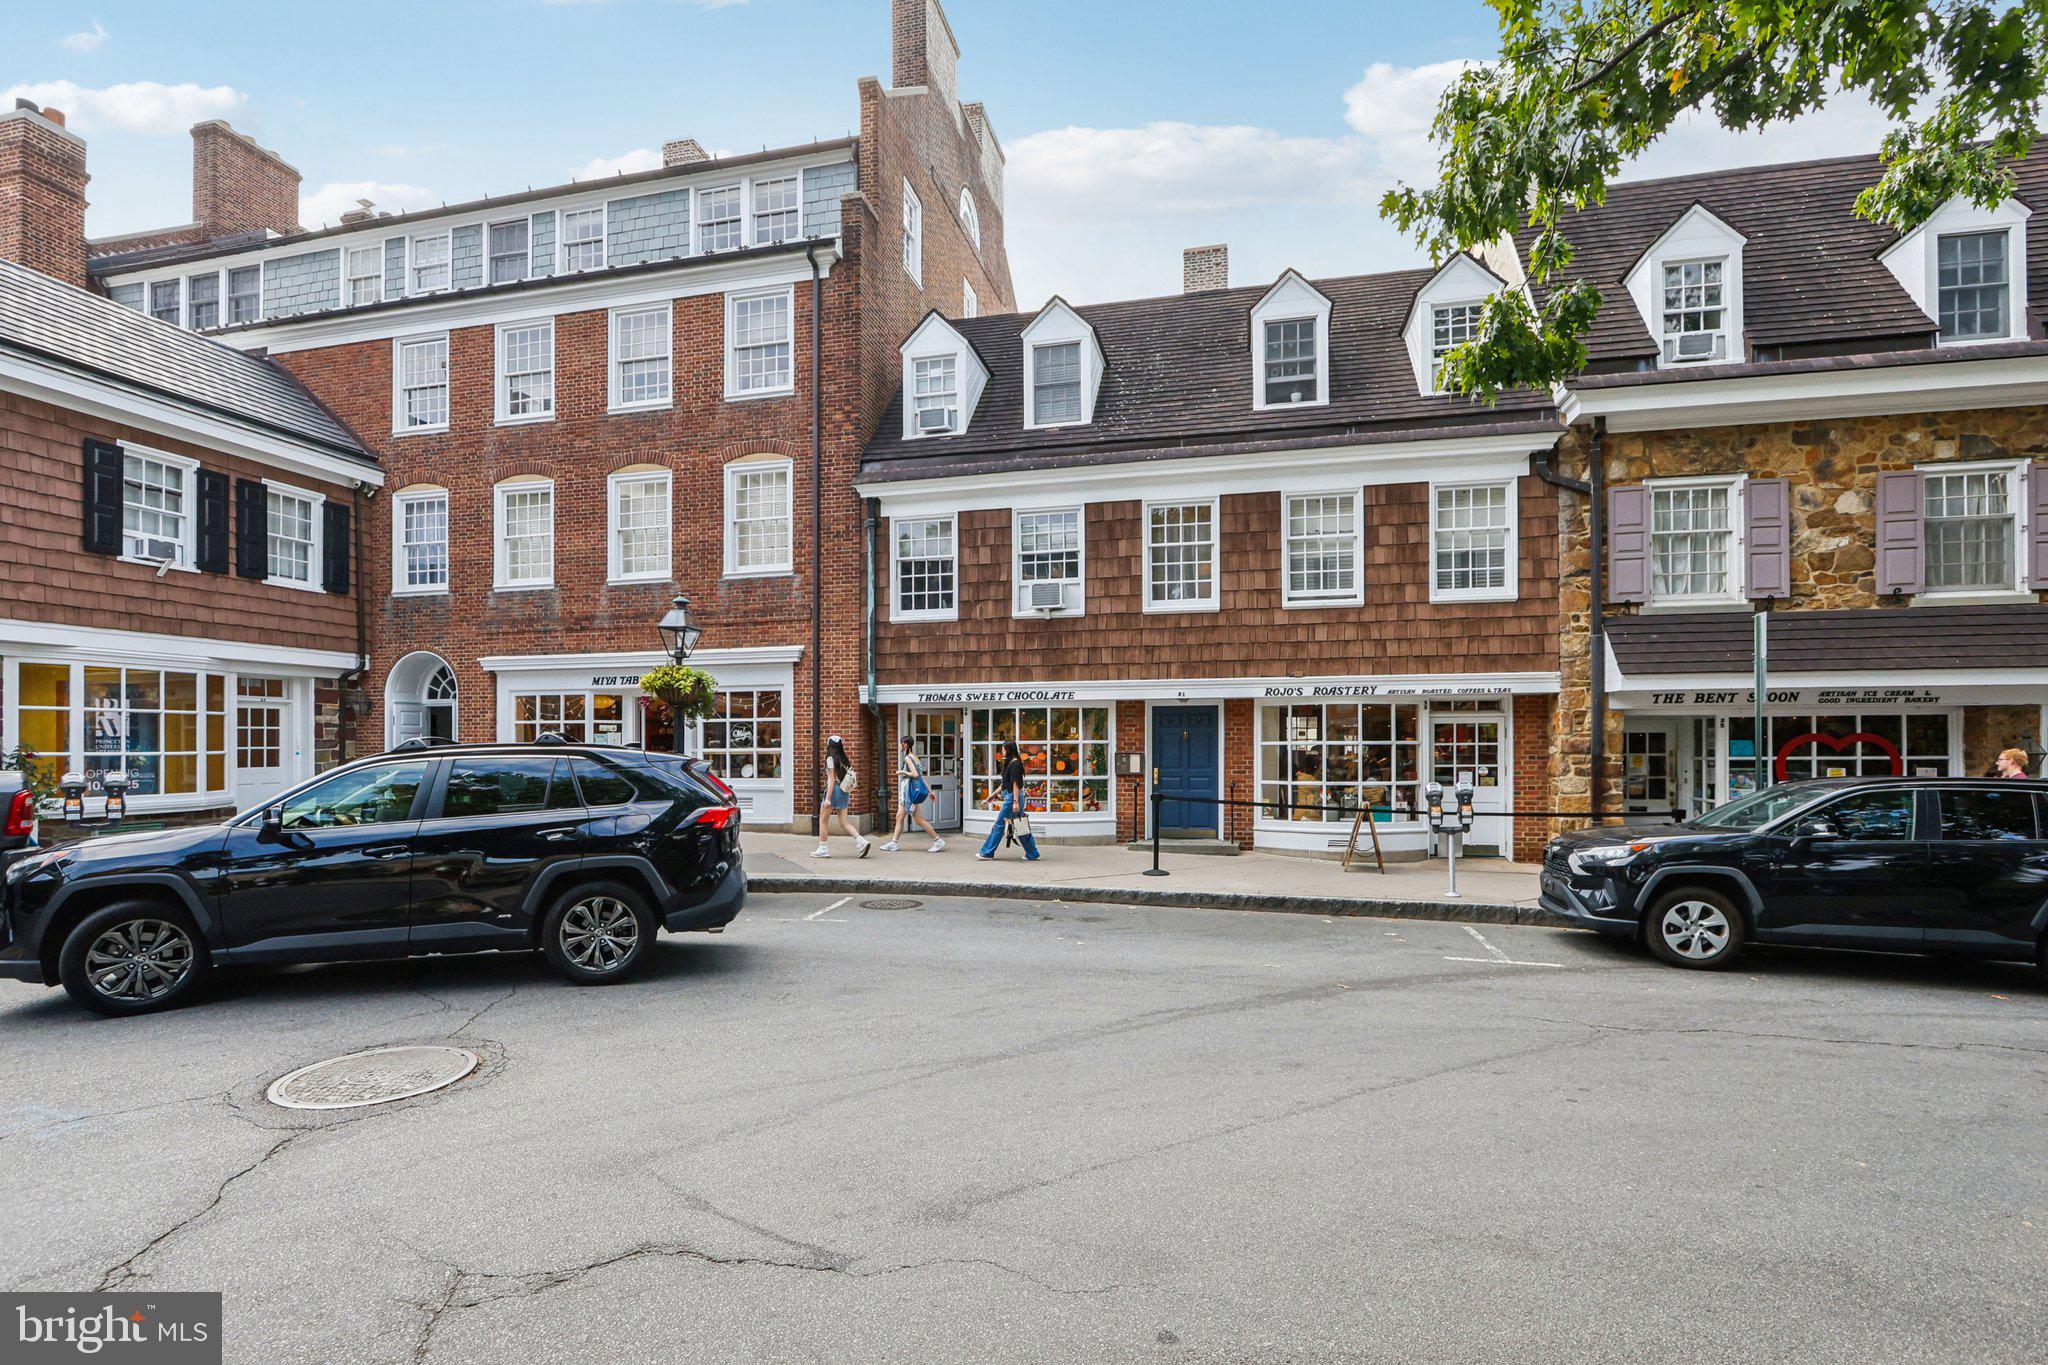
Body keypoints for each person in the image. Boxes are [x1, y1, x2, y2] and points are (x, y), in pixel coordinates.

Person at [976, 738, 1041, 861]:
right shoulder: (1011, 763)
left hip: (1013, 797)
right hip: (1012, 796)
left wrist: (1015, 802)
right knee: (1020, 825)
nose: (1002, 751)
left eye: (1003, 749)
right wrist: (992, 795)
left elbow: (1015, 784)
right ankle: (1033, 854)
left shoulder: (1015, 764)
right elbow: (1005, 784)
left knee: (999, 825)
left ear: (1008, 750)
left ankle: (987, 852)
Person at [882, 737, 944, 853]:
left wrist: (903, 772)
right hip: (909, 792)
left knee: (918, 820)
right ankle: (894, 843)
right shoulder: (915, 758)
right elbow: (921, 777)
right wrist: (930, 792)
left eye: (901, 744)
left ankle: (938, 840)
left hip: (909, 793)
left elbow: (915, 775)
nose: (899, 746)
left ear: (905, 744)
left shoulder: (907, 758)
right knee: (900, 817)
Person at [812, 734, 869, 858]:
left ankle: (823, 849)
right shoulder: (844, 759)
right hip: (844, 792)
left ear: (829, 745)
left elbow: (831, 780)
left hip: (834, 791)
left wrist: (827, 798)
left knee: (823, 821)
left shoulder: (830, 759)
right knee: (844, 822)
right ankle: (861, 841)